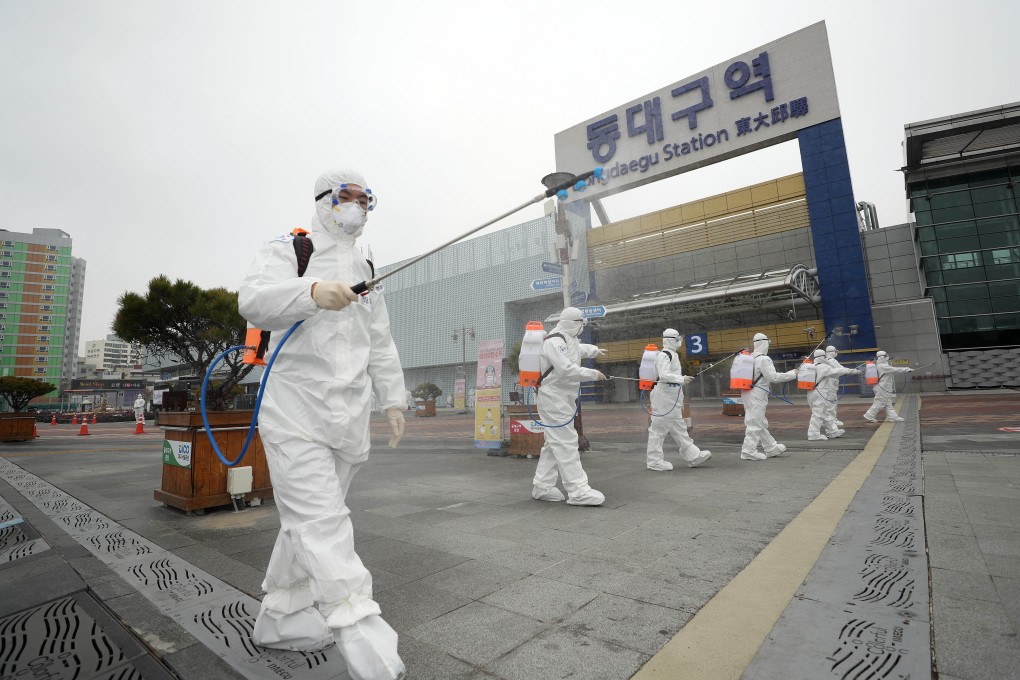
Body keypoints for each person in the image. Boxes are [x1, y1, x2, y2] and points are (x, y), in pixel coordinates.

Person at [238, 169, 406, 680]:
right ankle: (362, 633)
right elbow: (253, 301)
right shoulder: (291, 249)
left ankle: (283, 615)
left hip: (349, 415)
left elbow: (380, 340)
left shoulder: (367, 266)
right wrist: (311, 291)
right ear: (323, 200)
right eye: (346, 197)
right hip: (294, 409)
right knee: (321, 521)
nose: (357, 207)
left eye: (365, 200)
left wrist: (393, 399)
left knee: (309, 519)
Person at [531, 307, 609, 506]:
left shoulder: (568, 339)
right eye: (581, 323)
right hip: (553, 399)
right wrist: (592, 374)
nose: (582, 327)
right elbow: (565, 369)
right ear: (574, 323)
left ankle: (542, 486)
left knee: (553, 442)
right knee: (566, 442)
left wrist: (594, 350)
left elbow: (578, 349)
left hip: (563, 398)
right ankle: (578, 490)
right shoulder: (554, 342)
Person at [646, 328, 711, 471]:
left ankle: (693, 455)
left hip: (672, 397)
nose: (679, 342)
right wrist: (682, 379)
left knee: (679, 427)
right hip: (664, 398)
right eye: (676, 339)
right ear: (669, 340)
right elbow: (664, 375)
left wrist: (680, 382)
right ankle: (654, 461)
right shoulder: (664, 355)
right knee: (658, 429)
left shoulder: (673, 355)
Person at [740, 332, 797, 461]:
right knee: (755, 423)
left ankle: (771, 447)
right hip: (757, 394)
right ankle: (748, 450)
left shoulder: (750, 358)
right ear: (765, 343)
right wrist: (793, 374)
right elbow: (773, 377)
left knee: (758, 421)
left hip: (747, 393)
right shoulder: (763, 359)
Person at [807, 349, 859, 441]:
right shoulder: (823, 367)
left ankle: (832, 431)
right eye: (824, 357)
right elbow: (837, 371)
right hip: (820, 392)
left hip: (811, 392)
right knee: (818, 413)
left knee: (824, 412)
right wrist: (853, 371)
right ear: (822, 357)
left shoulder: (811, 366)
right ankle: (813, 434)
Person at [864, 350, 914, 423]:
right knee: (879, 403)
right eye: (885, 356)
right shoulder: (882, 366)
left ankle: (892, 417)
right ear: (881, 357)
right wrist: (907, 369)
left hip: (883, 387)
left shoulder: (880, 365)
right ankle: (869, 415)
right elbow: (895, 369)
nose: (886, 357)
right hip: (882, 388)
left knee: (888, 403)